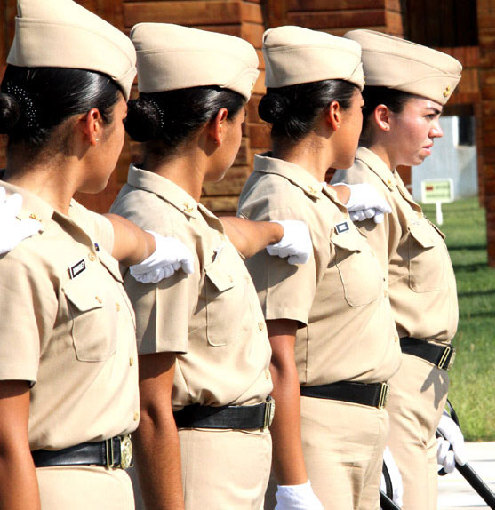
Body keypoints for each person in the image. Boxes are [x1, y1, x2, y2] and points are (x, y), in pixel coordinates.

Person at [108, 23, 313, 510]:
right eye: (242, 123)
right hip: (198, 469)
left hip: (230, 463)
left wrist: (274, 232)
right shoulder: (159, 223)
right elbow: (151, 403)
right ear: (219, 123)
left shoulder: (181, 215)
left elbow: (223, 238)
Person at [0, 1, 195, 508]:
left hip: (109, 483)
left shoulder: (72, 225)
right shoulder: (15, 251)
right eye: (122, 120)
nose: (124, 138)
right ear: (92, 124)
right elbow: (4, 443)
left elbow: (122, 235)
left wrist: (159, 247)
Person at [237, 26, 401, 510]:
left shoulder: (316, 196)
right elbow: (276, 352)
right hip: (316, 435)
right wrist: (293, 481)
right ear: (335, 113)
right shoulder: (283, 200)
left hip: (354, 429)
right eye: (360, 109)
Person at [330, 29, 465, 509]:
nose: (437, 131)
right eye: (429, 116)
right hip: (390, 389)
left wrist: (439, 409)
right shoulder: (364, 188)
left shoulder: (389, 186)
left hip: (414, 391)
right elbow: (360, 311)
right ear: (383, 117)